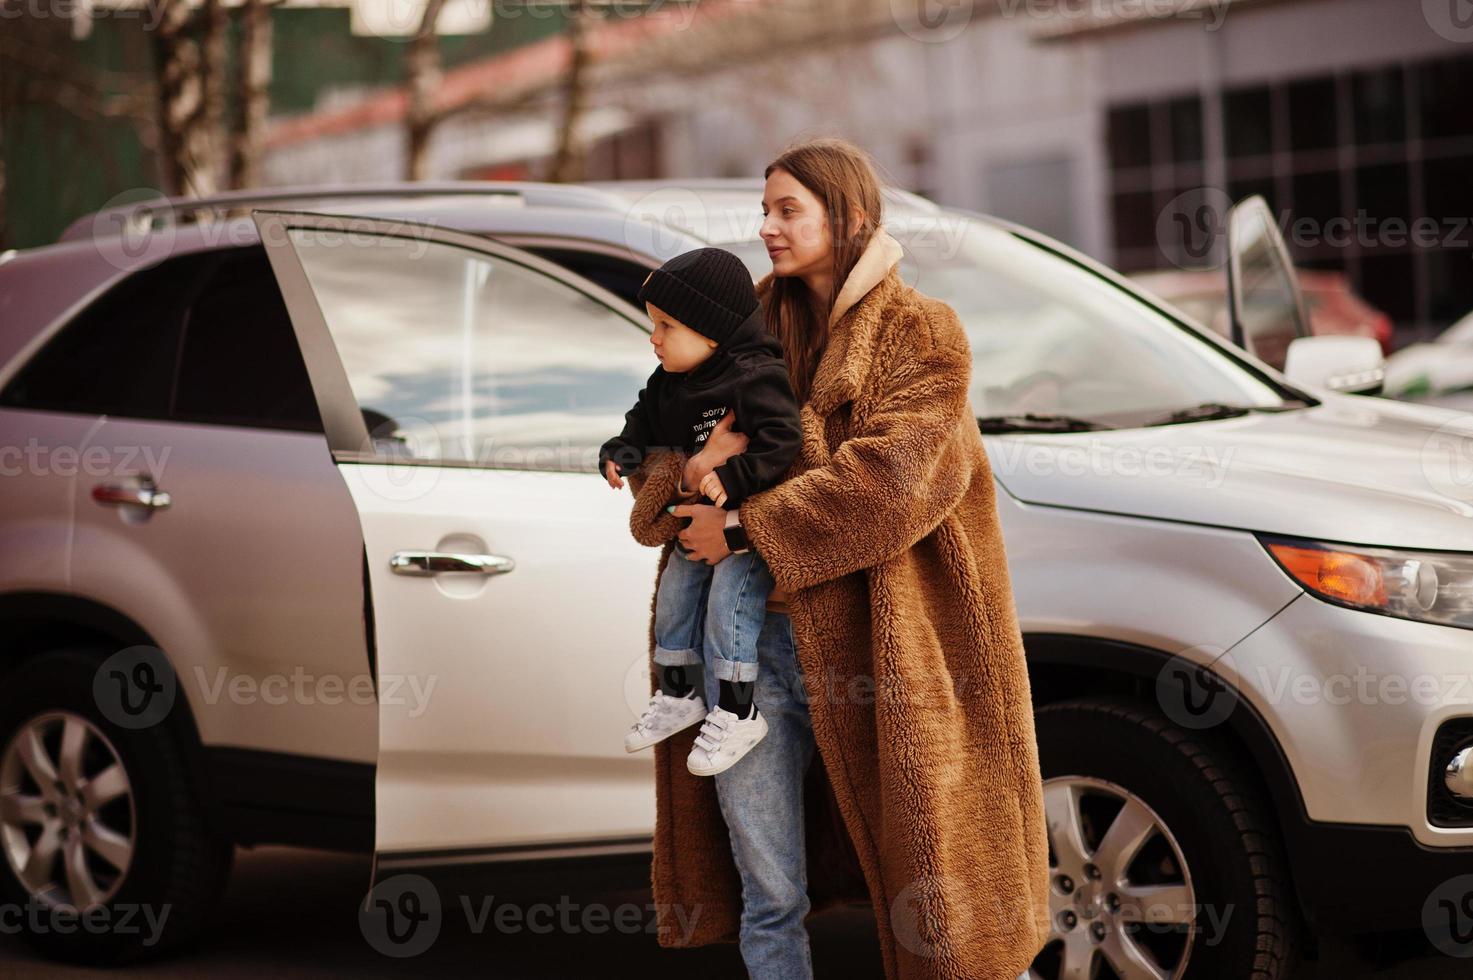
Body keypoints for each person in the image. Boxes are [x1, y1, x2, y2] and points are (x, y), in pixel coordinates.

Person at [622, 137, 1050, 980]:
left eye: (789, 210)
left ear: (849, 218)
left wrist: (743, 524)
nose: (768, 228)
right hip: (749, 649)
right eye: (764, 209)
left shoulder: (921, 332)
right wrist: (680, 473)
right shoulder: (743, 323)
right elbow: (670, 432)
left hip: (881, 646)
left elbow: (892, 483)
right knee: (766, 887)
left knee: (933, 888)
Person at [600, 247, 801, 776]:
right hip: (695, 523)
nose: (654, 337)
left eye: (667, 325)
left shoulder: (755, 376)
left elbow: (783, 440)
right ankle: (679, 693)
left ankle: (740, 710)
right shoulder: (669, 382)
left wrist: (732, 478)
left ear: (713, 332)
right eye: (654, 325)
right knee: (673, 599)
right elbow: (642, 422)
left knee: (728, 613)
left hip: (747, 526)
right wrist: (621, 449)